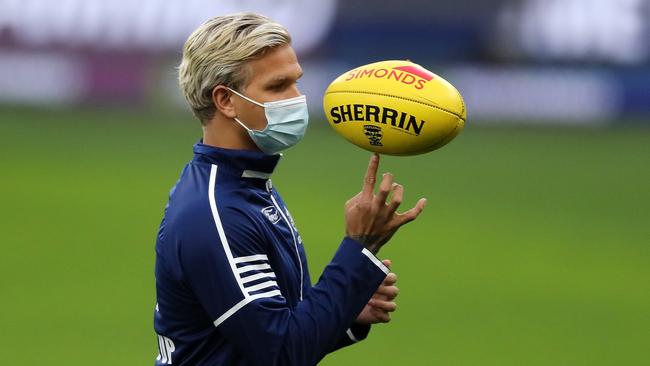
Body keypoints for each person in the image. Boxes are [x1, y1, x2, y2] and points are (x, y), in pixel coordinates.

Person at [153, 12, 426, 366]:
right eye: (278, 86)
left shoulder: (248, 185)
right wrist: (359, 245)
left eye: (296, 82)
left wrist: (348, 309)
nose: (297, 98)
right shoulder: (214, 213)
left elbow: (280, 330)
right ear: (226, 100)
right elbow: (282, 353)